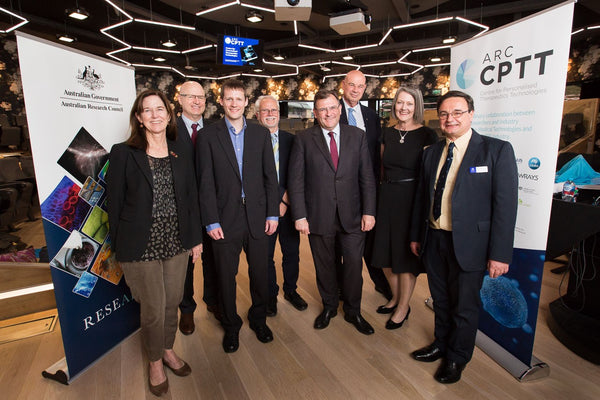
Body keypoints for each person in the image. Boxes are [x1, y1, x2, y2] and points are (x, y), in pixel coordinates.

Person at [409, 90, 518, 384]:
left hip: (472, 246)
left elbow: (505, 207)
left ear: (471, 114)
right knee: (441, 301)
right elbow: (422, 197)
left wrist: (500, 254)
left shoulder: (496, 151)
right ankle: (440, 344)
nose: (450, 119)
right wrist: (417, 235)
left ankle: (457, 358)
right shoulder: (432, 152)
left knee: (465, 307)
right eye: (444, 114)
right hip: (434, 239)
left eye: (457, 112)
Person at [107, 89, 202, 396]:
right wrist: (120, 247)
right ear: (139, 118)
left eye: (159, 108)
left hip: (176, 240)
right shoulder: (123, 153)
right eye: (147, 110)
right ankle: (154, 361)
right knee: (153, 308)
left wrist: (195, 240)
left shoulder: (179, 151)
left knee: (172, 301)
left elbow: (190, 198)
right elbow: (115, 203)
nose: (154, 114)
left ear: (168, 113)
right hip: (141, 243)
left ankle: (167, 348)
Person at [197, 79, 279, 353]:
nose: (234, 104)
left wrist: (272, 213)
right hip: (223, 219)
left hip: (258, 217)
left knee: (260, 273)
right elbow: (205, 182)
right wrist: (210, 220)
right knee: (225, 276)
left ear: (246, 102)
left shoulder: (260, 134)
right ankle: (231, 326)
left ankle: (258, 319)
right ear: (221, 102)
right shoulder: (208, 136)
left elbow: (271, 177)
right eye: (228, 99)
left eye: (239, 99)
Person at [288, 89, 377, 335]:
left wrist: (369, 211)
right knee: (324, 266)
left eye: (331, 108)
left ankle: (353, 311)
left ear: (340, 109)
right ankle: (329, 307)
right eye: (322, 109)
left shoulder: (357, 136)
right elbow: (296, 181)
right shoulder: (304, 139)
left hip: (354, 215)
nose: (328, 113)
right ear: (315, 114)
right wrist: (300, 215)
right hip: (318, 215)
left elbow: (367, 177)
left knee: (352, 267)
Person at [371, 87, 438, 330]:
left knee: (405, 259)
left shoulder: (427, 135)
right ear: (394, 105)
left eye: (409, 103)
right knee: (385, 256)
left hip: (411, 200)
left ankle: (403, 306)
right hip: (386, 197)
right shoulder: (386, 133)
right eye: (400, 103)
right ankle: (396, 297)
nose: (404, 108)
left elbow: (429, 174)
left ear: (417, 106)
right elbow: (381, 168)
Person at [339, 70, 392, 300]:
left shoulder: (371, 116)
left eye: (360, 86)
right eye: (351, 85)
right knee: (342, 246)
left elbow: (376, 155)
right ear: (343, 85)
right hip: (340, 190)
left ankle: (381, 284)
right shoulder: (331, 111)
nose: (355, 90)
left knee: (371, 240)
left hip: (369, 189)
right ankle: (343, 289)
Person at [255, 95, 308, 316]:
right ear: (257, 115)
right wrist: (271, 205)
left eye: (273, 110)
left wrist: (284, 200)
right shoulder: (250, 141)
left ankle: (291, 290)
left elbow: (298, 174)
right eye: (265, 111)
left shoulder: (292, 140)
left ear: (279, 113)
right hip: (262, 211)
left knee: (291, 252)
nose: (270, 114)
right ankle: (270, 295)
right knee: (265, 256)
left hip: (288, 207)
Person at [176, 81, 221, 335]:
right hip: (184, 211)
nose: (196, 101)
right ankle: (187, 310)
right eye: (190, 96)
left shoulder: (215, 130)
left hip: (212, 208)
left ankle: (213, 302)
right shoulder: (169, 131)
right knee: (187, 265)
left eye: (201, 97)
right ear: (179, 99)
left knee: (213, 259)